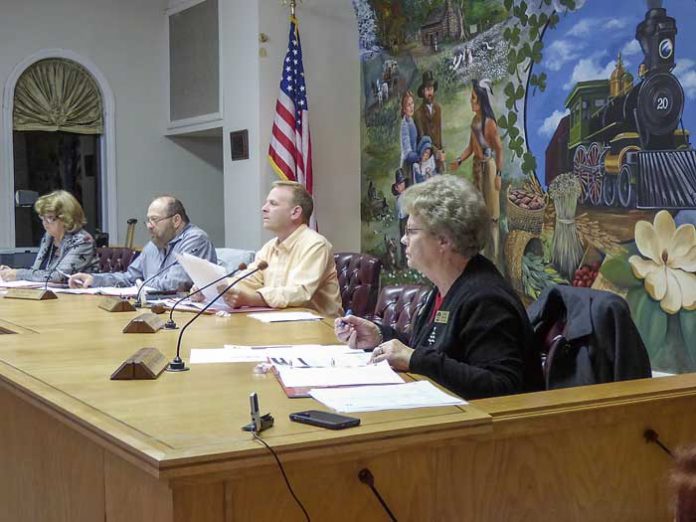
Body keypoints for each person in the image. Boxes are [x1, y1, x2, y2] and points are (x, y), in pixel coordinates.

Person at [335, 175, 544, 399]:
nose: (404, 240)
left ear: (444, 240)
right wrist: (379, 336)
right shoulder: (448, 284)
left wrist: (415, 360)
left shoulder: (487, 299)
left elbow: (500, 385)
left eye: (412, 231)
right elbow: (433, 349)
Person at [214, 180, 343, 318]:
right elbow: (249, 280)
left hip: (319, 329)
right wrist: (216, 288)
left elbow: (300, 292)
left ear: (295, 212)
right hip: (280, 322)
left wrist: (251, 298)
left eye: (273, 203)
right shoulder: (270, 247)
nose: (263, 208)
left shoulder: (316, 245)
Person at [68, 196, 216, 291]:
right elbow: (129, 277)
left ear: (176, 220)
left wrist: (141, 285)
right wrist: (95, 280)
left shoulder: (195, 239)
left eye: (155, 220)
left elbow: (176, 284)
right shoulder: (153, 245)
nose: (149, 226)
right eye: (148, 220)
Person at [450, 79, 503, 264]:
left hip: (488, 167)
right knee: (480, 214)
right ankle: (481, 258)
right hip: (477, 168)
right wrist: (458, 160)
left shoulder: (489, 124)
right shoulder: (475, 122)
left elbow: (499, 149)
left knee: (493, 216)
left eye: (474, 98)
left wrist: (498, 175)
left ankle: (494, 260)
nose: (471, 102)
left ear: (481, 100)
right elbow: (471, 148)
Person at [0, 190, 98, 283]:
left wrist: (18, 274)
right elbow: (37, 271)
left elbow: (59, 277)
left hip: (81, 296)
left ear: (67, 218)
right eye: (43, 218)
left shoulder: (83, 241)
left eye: (50, 218)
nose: (45, 223)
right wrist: (10, 273)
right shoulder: (48, 237)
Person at [414, 71, 446, 173]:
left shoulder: (438, 108)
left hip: (438, 157)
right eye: (427, 89)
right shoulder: (418, 113)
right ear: (423, 91)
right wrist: (435, 152)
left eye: (431, 89)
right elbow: (423, 139)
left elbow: (439, 134)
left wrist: (441, 152)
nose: (430, 93)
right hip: (426, 157)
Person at [400, 90, 419, 181]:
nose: (411, 107)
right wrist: (420, 157)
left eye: (412, 103)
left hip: (413, 162)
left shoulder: (411, 120)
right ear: (404, 109)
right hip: (408, 165)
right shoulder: (405, 125)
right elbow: (407, 153)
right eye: (408, 105)